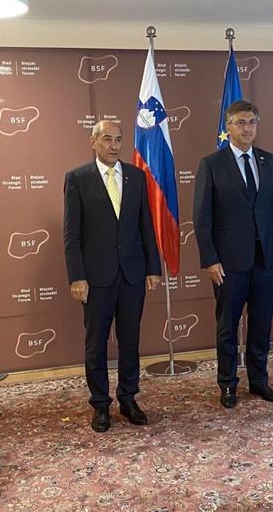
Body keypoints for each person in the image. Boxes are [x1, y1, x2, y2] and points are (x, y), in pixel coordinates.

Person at [193, 100, 273, 408]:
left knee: (261, 325)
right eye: (240, 122)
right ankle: (227, 384)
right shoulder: (212, 164)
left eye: (251, 122)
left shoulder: (271, 162)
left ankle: (259, 380)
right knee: (227, 327)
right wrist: (210, 259)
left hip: (266, 259)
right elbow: (202, 217)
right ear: (228, 127)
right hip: (228, 263)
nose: (247, 128)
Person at [63, 120, 161, 432]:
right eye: (107, 139)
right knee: (96, 344)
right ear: (93, 142)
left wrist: (153, 267)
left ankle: (128, 398)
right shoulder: (77, 179)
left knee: (130, 341)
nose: (114, 145)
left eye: (118, 139)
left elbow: (146, 225)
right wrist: (77, 277)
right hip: (96, 279)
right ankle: (100, 405)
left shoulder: (136, 176)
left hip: (132, 274)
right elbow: (72, 235)